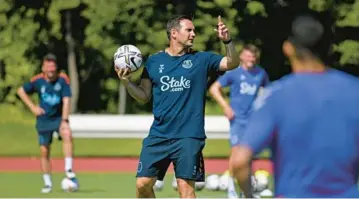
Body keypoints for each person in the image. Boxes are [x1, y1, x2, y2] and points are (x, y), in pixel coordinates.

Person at [231, 14, 359, 198]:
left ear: (288, 48)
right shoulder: (354, 89)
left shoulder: (276, 95)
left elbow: (240, 160)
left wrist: (249, 195)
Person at [114, 15, 239, 198]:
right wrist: (126, 83)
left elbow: (232, 63)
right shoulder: (154, 62)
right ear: (174, 33)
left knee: (185, 190)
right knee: (142, 185)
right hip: (159, 134)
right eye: (189, 30)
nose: (193, 34)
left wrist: (227, 41)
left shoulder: (202, 59)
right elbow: (144, 96)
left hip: (189, 135)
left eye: (193, 30)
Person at [209, 44, 269, 198]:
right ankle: (231, 188)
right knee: (236, 153)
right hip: (238, 120)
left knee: (248, 154)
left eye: (253, 56)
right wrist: (225, 107)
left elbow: (266, 92)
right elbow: (214, 89)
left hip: (253, 120)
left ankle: (246, 191)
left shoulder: (261, 73)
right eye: (248, 56)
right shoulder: (234, 73)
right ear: (242, 56)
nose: (251, 59)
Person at [17, 53, 76, 193]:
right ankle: (47, 183)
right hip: (43, 120)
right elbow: (20, 91)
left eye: (53, 67)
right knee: (44, 151)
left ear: (56, 68)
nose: (51, 70)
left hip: (58, 119)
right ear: (43, 68)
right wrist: (32, 107)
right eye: (48, 67)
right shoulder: (38, 80)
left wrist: (65, 120)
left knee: (67, 133)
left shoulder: (62, 79)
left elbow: (67, 100)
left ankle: (68, 169)